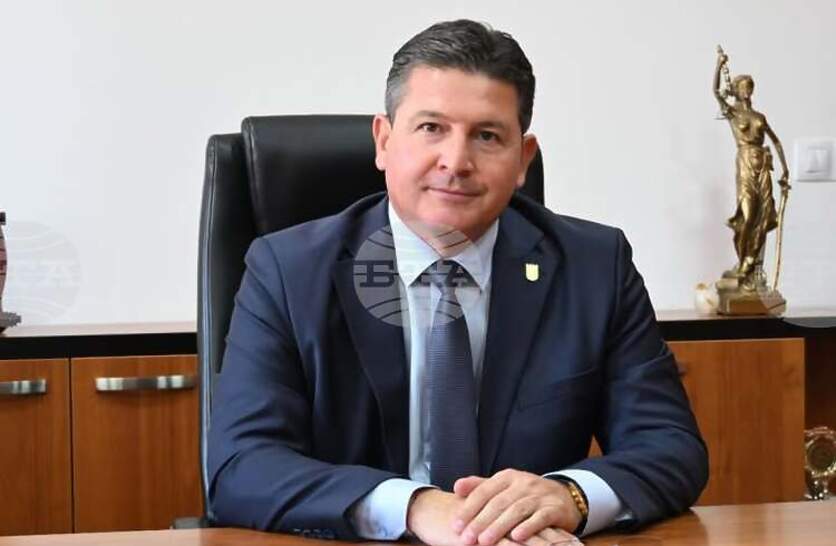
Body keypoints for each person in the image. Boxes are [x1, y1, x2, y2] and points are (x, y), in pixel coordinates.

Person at [208, 19, 708, 544]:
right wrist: (417, 507)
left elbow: (670, 446)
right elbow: (241, 464)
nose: (456, 161)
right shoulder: (287, 270)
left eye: (487, 136)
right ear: (384, 141)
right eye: (431, 128)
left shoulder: (594, 266)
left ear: (523, 159)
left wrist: (568, 496)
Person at [713, 51, 790, 291]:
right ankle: (742, 261)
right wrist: (719, 65)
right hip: (745, 161)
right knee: (747, 215)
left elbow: (776, 142)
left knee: (762, 215)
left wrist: (785, 170)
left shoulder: (759, 116)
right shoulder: (733, 113)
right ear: (736, 90)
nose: (747, 90)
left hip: (763, 165)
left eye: (749, 87)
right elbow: (716, 92)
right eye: (743, 87)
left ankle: (750, 264)